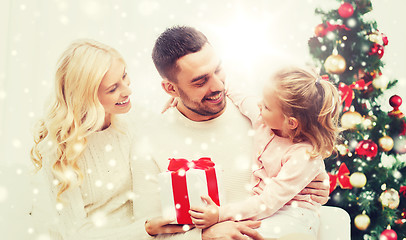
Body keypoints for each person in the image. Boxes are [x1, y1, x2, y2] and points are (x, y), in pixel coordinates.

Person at [131, 25, 330, 239]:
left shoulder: (263, 114)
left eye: (218, 70)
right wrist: (203, 235)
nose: (218, 86)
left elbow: (303, 154)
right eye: (200, 81)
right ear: (171, 89)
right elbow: (150, 229)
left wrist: (318, 184)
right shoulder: (149, 142)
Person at [30, 39, 190, 239]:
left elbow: (164, 138)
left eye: (124, 76)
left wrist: (182, 104)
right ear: (85, 97)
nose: (127, 91)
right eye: (113, 88)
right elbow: (75, 234)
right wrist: (145, 229)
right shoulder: (59, 149)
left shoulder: (133, 119)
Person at [188, 66, 341, 239]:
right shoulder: (263, 120)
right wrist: (181, 96)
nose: (259, 104)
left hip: (295, 215)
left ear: (291, 123)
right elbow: (238, 93)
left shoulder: (304, 155)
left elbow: (269, 200)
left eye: (267, 106)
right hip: (264, 209)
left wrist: (220, 214)